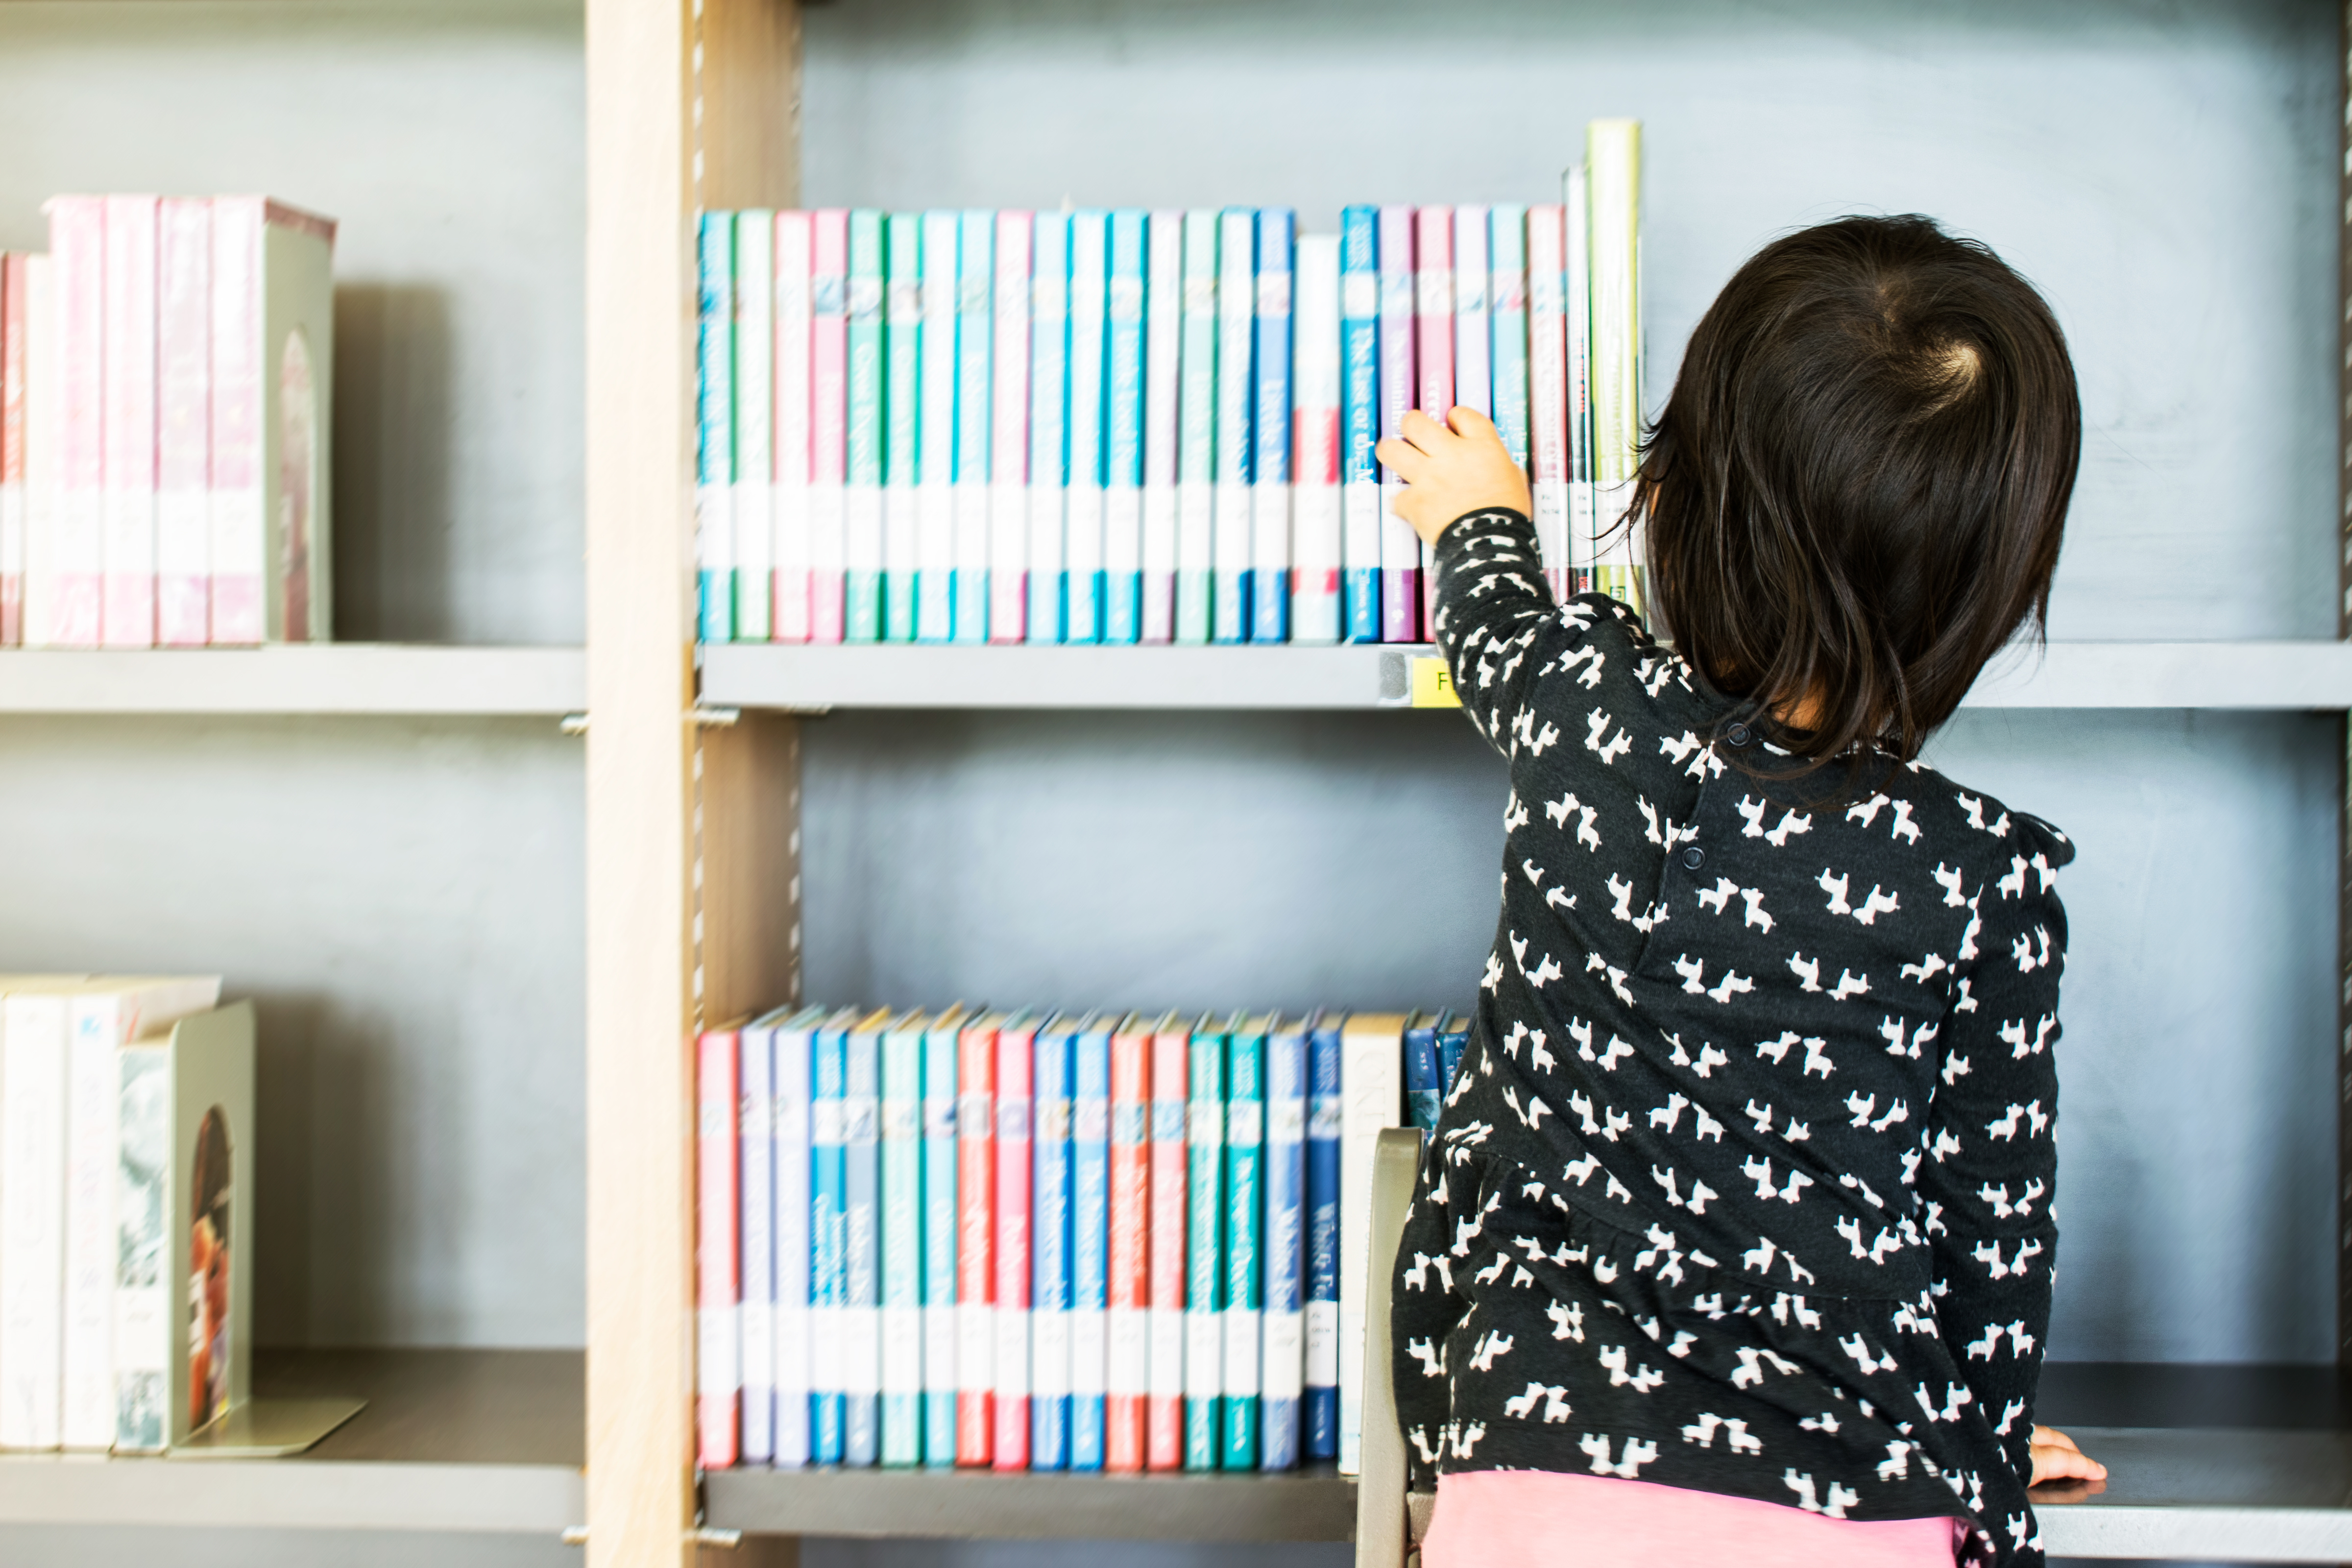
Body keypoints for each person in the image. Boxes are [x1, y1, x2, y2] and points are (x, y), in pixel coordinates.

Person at [1380, 215, 2105, 1568]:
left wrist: (1478, 513)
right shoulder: (1981, 882)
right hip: (1854, 1505)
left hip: (1530, 1494)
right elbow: (1984, 1246)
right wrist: (1970, 1465)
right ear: (1995, 589)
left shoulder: (1592, 713)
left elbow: (1492, 627)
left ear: (1670, 508)